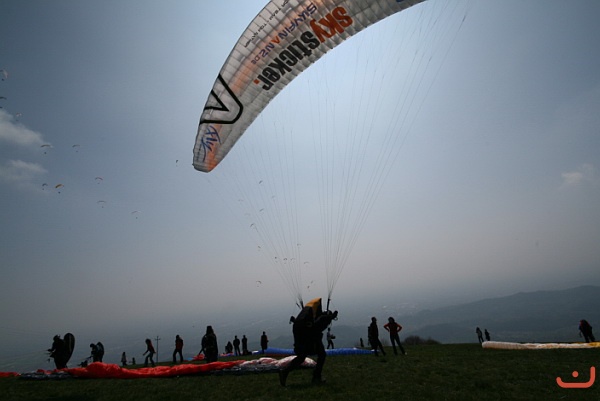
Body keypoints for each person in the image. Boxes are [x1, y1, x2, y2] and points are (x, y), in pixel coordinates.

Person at [279, 297, 338, 386]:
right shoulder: (322, 318)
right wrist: (331, 316)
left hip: (300, 333)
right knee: (321, 355)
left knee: (301, 356)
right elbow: (318, 325)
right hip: (308, 334)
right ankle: (316, 377)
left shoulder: (310, 314)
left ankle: (285, 371)